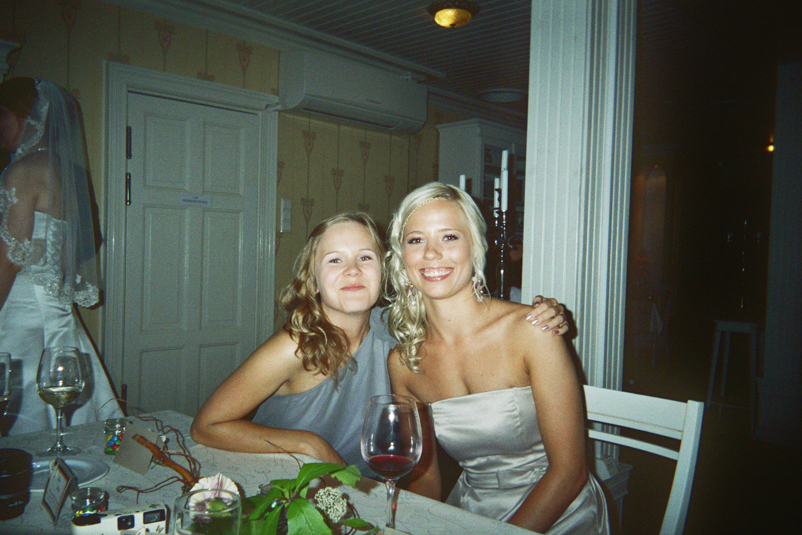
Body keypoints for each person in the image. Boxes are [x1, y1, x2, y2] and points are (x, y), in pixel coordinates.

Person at [190, 212, 569, 477]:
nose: (352, 270)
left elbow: (467, 321)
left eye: (365, 257)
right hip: (287, 487)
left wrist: (543, 312)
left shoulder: (398, 329)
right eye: (335, 260)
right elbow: (207, 426)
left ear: (385, 270)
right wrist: (310, 446)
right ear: (313, 278)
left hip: (363, 497)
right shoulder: (294, 346)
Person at [385, 183, 609, 534]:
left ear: (475, 247)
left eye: (449, 237)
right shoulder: (404, 362)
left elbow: (570, 472)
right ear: (402, 256)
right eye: (416, 240)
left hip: (560, 513)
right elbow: (425, 477)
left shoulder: (533, 331)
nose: (431, 253)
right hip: (472, 511)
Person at [0, 77, 123, 435]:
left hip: (20, 314)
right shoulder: (67, 174)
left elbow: (9, 259)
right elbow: (66, 260)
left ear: (26, 116)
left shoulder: (21, 171)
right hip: (58, 312)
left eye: (2, 114)